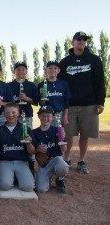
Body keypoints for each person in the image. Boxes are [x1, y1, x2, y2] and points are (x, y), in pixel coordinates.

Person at [58, 31, 106, 173]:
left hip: (89, 104)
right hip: (69, 106)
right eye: (78, 39)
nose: (81, 41)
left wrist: (100, 102)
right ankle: (66, 158)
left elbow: (100, 82)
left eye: (84, 39)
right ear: (72, 42)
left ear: (86, 42)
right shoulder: (65, 62)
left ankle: (81, 160)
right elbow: (60, 84)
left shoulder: (94, 60)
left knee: (85, 135)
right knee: (68, 135)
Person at [0, 103, 35, 191]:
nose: (11, 115)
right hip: (5, 162)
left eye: (13, 112)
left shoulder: (26, 129)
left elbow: (32, 152)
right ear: (3, 114)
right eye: (7, 113)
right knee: (5, 186)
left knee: (29, 187)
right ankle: (9, 175)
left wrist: (28, 143)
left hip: (21, 162)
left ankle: (15, 176)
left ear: (18, 113)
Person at [32, 105, 69, 194]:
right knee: (41, 189)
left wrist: (62, 140)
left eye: (48, 115)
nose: (45, 118)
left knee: (63, 167)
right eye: (43, 115)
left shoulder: (58, 130)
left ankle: (59, 178)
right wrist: (37, 149)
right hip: (44, 164)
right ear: (39, 117)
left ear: (53, 117)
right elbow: (31, 152)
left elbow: (63, 150)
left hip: (56, 159)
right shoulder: (34, 132)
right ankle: (49, 177)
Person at [37, 61, 70, 127]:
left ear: (58, 70)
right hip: (46, 115)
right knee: (47, 134)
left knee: (60, 135)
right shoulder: (41, 85)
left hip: (59, 114)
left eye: (55, 68)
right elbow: (40, 103)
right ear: (46, 70)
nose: (53, 70)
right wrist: (43, 99)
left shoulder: (63, 84)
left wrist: (65, 116)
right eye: (50, 68)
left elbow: (67, 102)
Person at [9, 61, 38, 128]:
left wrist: (26, 98)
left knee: (27, 137)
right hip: (11, 117)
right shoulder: (9, 86)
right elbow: (6, 102)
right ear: (14, 71)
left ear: (26, 71)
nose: (20, 71)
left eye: (23, 69)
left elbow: (36, 103)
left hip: (27, 116)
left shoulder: (31, 85)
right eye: (18, 69)